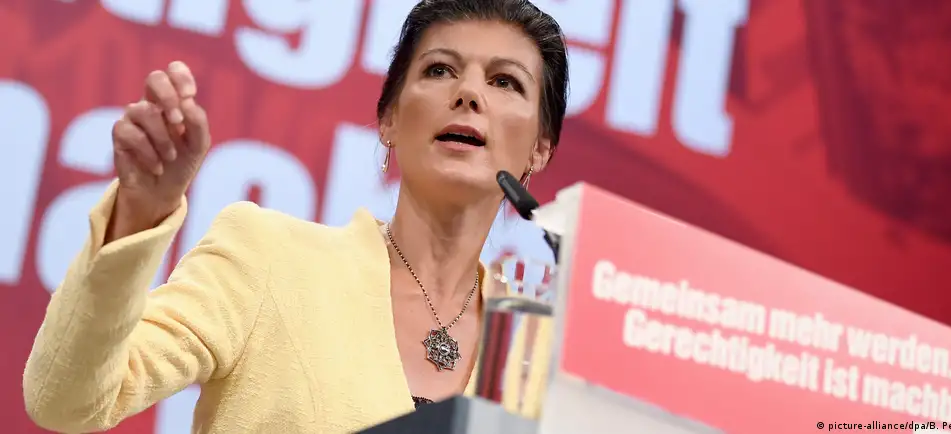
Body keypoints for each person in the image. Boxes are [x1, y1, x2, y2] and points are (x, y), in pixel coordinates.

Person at [22, 0, 569, 432]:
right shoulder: (268, 257)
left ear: (540, 148)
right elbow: (66, 401)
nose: (469, 92)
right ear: (389, 120)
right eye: (440, 70)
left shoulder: (544, 354)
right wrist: (138, 214)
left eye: (505, 82)